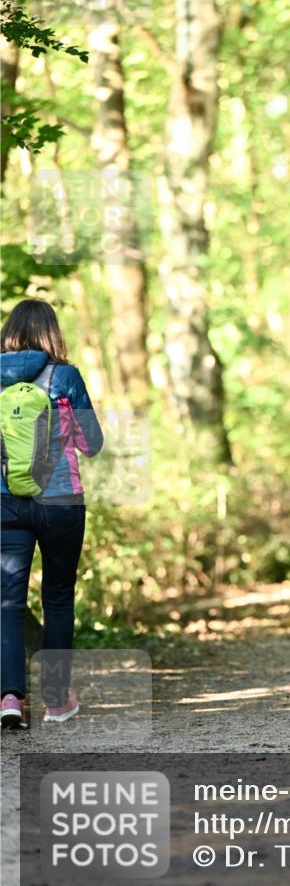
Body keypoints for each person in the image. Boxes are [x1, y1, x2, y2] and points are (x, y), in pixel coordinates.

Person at [0, 300, 103, 729]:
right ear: (51, 333)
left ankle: (9, 698)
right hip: (60, 499)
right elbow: (91, 442)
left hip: (5, 500)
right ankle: (57, 700)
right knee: (58, 598)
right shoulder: (65, 376)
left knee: (7, 601)